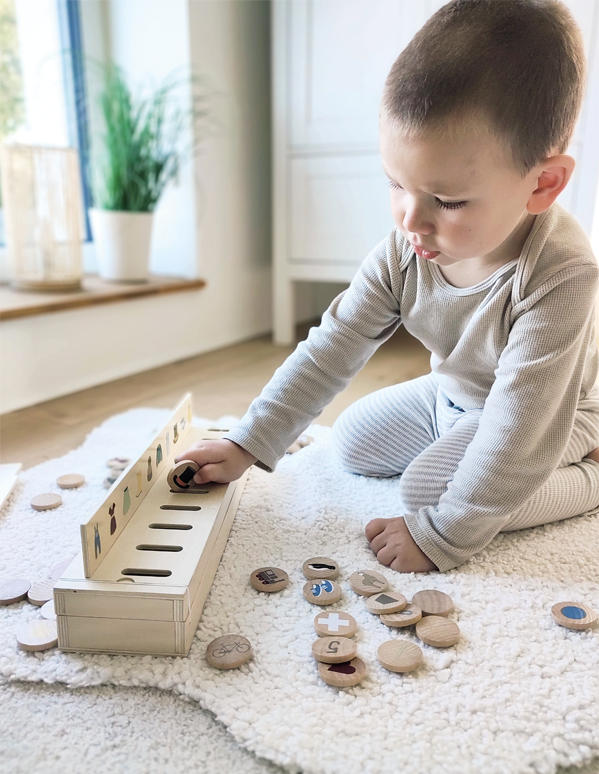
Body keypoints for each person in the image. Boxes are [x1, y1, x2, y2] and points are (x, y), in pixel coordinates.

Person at [177, 0, 599, 573]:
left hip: (555, 415)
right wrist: (246, 443)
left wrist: (444, 536)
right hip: (452, 396)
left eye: (447, 201)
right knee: (350, 440)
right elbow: (331, 349)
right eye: (396, 184)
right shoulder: (406, 249)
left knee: (432, 496)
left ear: (543, 184)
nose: (411, 220)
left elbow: (517, 432)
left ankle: (591, 479)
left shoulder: (561, 272)